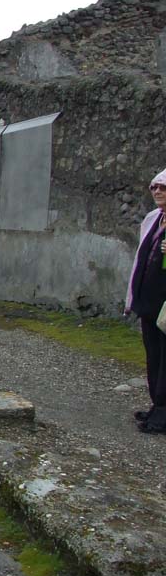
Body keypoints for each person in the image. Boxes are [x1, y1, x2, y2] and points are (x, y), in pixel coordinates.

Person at [126, 167, 166, 433]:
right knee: (153, 355)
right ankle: (157, 405)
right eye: (154, 187)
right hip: (148, 303)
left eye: (163, 188)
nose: (158, 192)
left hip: (165, 305)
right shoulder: (154, 218)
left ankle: (163, 414)